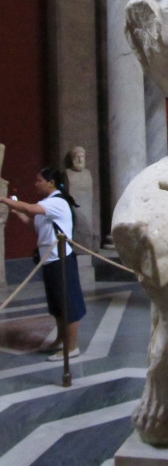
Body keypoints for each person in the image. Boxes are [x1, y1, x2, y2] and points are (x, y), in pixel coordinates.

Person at [0, 167, 86, 361]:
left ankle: (72, 347)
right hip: (49, 259)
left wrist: (4, 200)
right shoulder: (47, 204)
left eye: (39, 180)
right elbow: (34, 224)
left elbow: (30, 209)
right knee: (57, 305)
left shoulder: (57, 202)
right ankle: (60, 340)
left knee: (68, 304)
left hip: (61, 259)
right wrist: (15, 210)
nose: (35, 183)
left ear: (51, 183)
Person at [64, 146, 94, 249]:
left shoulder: (87, 173)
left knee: (87, 225)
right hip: (75, 206)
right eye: (77, 157)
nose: (80, 159)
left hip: (87, 206)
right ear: (72, 159)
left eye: (82, 157)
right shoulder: (68, 173)